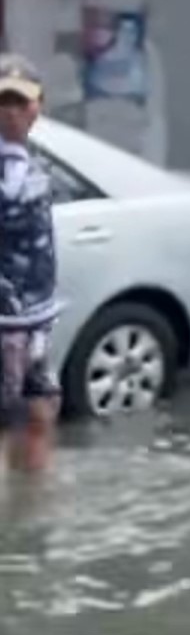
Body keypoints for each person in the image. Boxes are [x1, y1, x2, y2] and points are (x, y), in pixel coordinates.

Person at [0, 56, 62, 474]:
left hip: (36, 316)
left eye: (20, 102)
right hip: (4, 323)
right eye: (3, 101)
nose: (11, 110)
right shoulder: (9, 166)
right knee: (6, 421)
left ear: (38, 106)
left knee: (41, 412)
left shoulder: (33, 157)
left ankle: (33, 511)